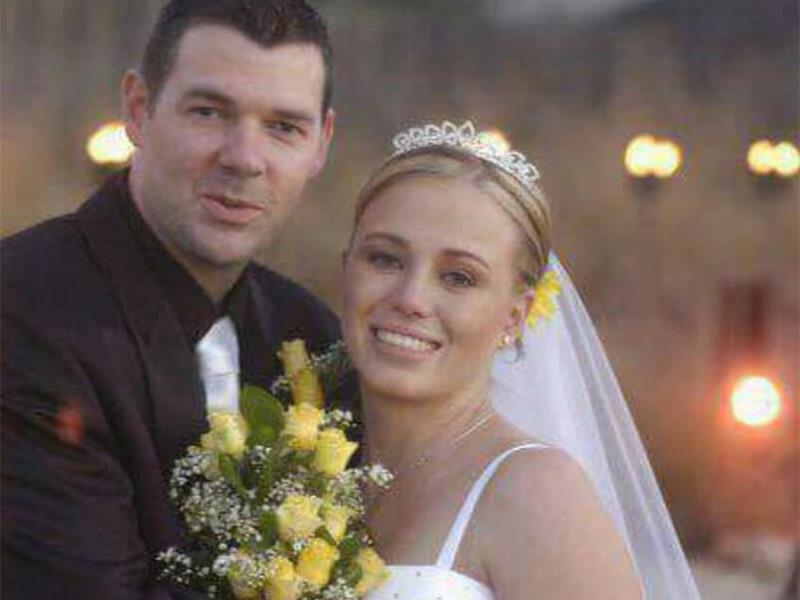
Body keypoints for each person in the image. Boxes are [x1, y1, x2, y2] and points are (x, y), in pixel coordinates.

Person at [1, 1, 347, 598]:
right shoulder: (21, 311)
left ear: (321, 142)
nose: (244, 158)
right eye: (209, 112)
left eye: (283, 127)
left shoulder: (312, 334)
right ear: (139, 109)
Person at [340, 120, 701, 599]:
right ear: (345, 267)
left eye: (459, 277)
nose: (411, 299)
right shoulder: (307, 466)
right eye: (385, 259)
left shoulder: (537, 493)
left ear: (516, 315)